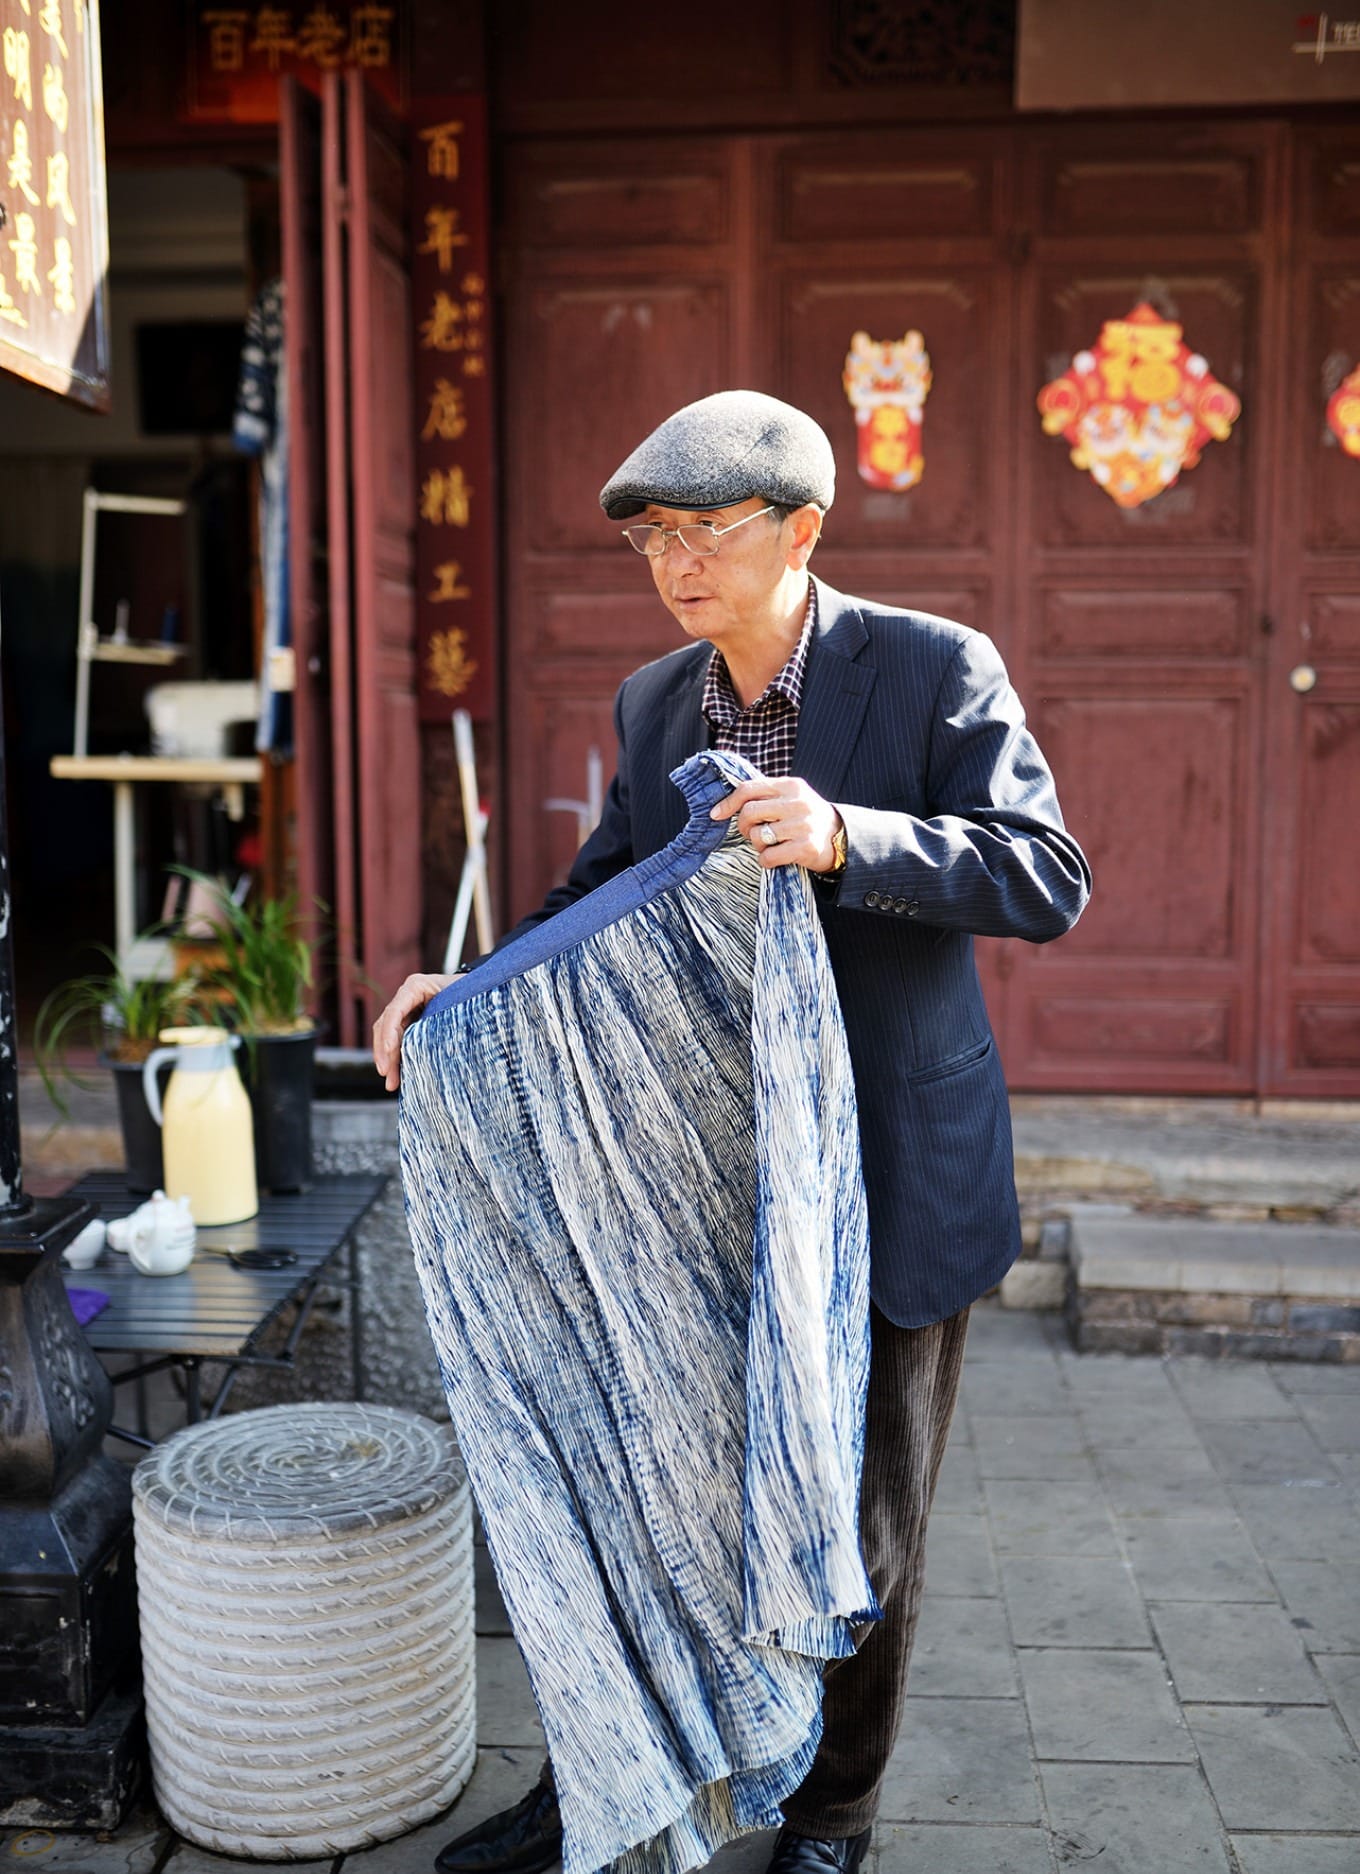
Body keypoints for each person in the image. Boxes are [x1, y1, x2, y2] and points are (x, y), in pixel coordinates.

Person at [372, 390, 1091, 1874]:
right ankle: (620, 1776)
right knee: (665, 1488)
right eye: (654, 538)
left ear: (804, 531)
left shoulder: (933, 669)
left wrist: (848, 837)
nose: (677, 563)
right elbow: (597, 891)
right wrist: (466, 988)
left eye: (708, 531)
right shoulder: (657, 704)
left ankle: (832, 1816)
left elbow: (1048, 871)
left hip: (892, 1175)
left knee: (859, 1534)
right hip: (702, 1173)